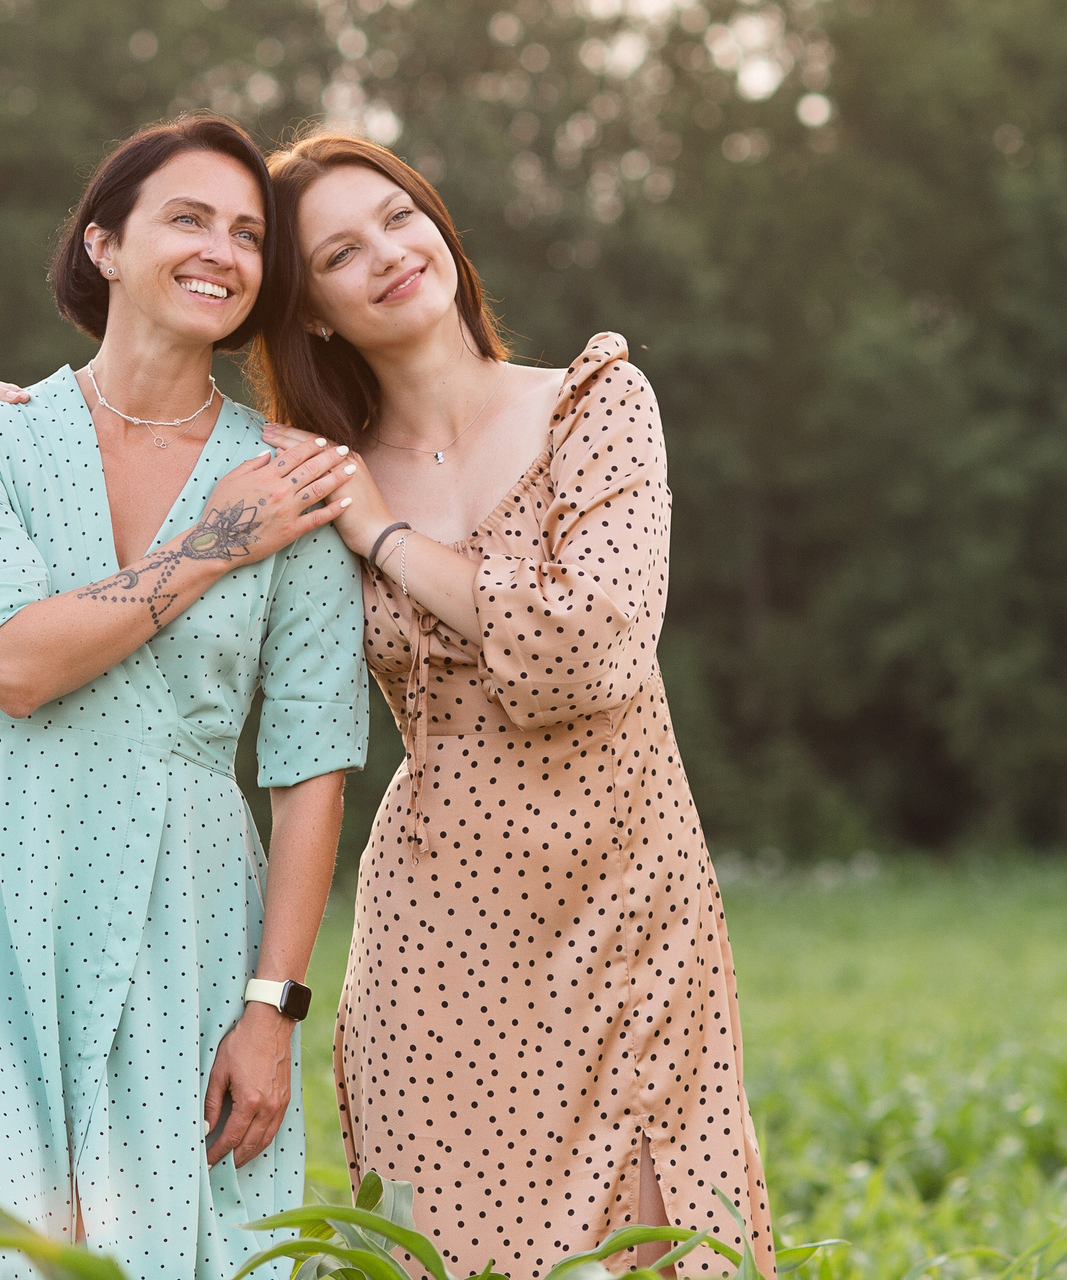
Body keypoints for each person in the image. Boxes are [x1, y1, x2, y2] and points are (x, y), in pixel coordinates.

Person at [0, 114, 369, 1280]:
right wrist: (215, 542)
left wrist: (273, 1012)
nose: (221, 250)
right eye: (187, 218)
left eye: (247, 233)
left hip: (186, 915)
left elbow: (311, 772)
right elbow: (16, 670)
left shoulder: (297, 478)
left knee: (166, 1250)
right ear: (104, 245)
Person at [248, 133, 771, 1278]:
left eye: (397, 216)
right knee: (454, 1253)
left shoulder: (595, 401)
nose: (388, 253)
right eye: (341, 253)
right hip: (436, 933)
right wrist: (23, 415)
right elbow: (166, 500)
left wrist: (383, 535)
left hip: (628, 903)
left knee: (659, 1244)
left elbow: (596, 647)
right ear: (316, 312)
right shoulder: (311, 470)